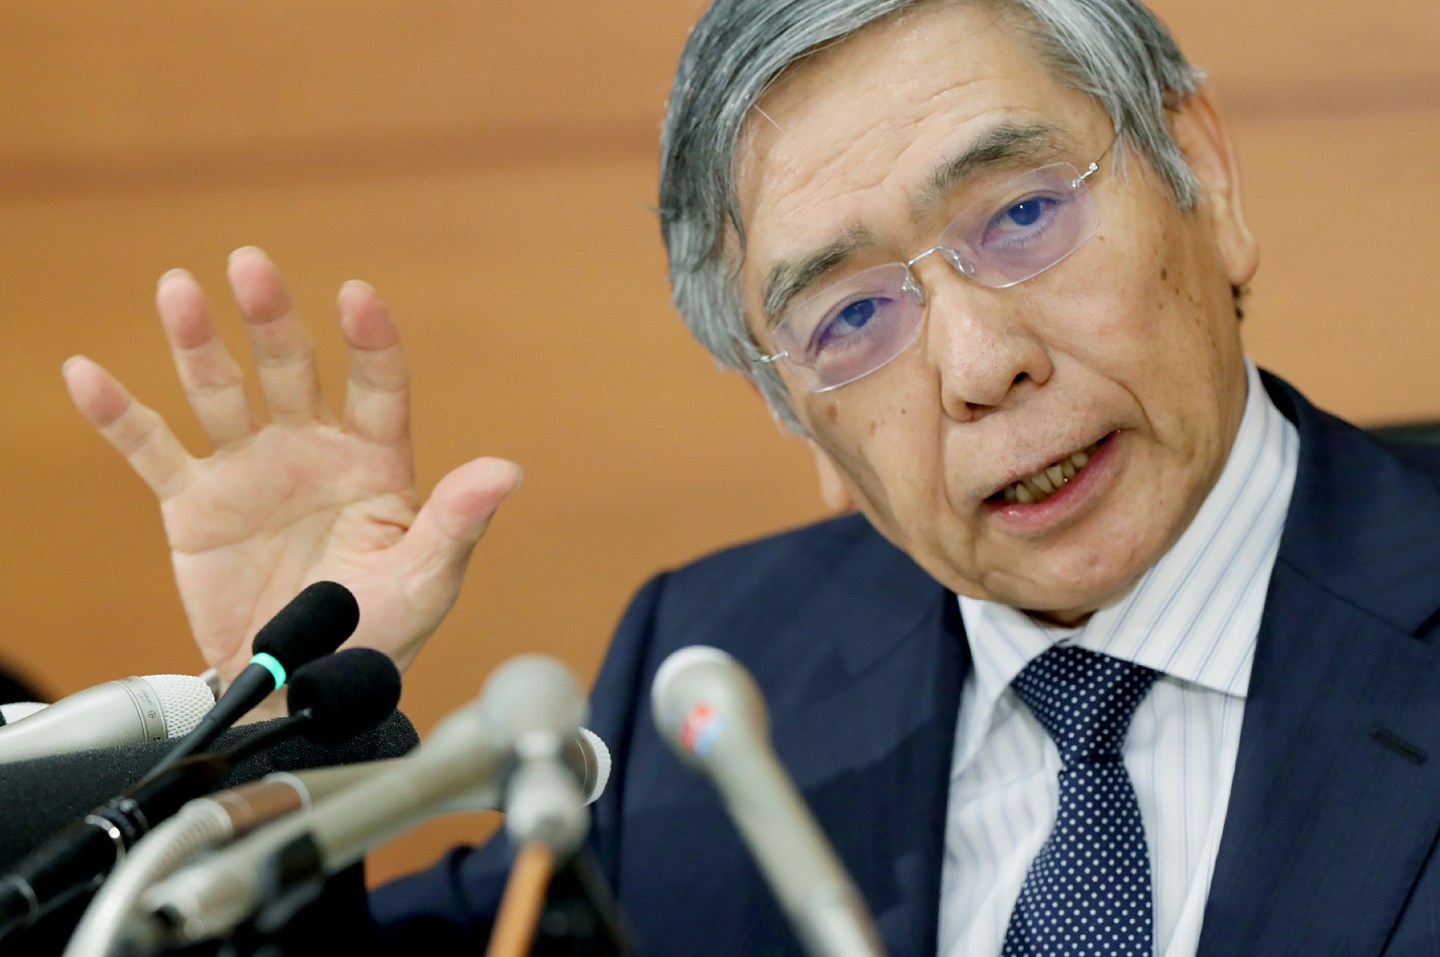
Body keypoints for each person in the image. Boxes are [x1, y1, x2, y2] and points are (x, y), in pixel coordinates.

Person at [67, 0, 1440, 954]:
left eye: (1023, 213)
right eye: (851, 316)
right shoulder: (717, 686)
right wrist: (282, 719)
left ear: (1202, 172)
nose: (977, 365)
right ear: (798, 419)